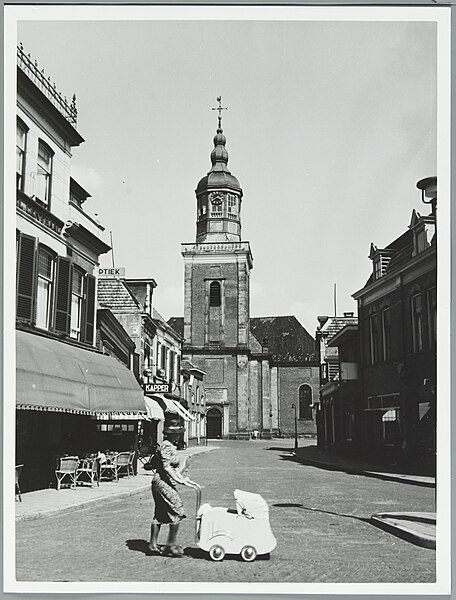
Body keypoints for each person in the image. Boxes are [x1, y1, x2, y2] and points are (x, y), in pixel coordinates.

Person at [148, 420, 199, 557]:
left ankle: (152, 545)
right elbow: (166, 467)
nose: (179, 436)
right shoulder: (166, 446)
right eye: (177, 434)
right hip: (162, 482)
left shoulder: (171, 446)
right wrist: (178, 480)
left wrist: (183, 477)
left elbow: (174, 468)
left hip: (165, 482)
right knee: (177, 508)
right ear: (172, 435)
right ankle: (170, 545)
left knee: (160, 513)